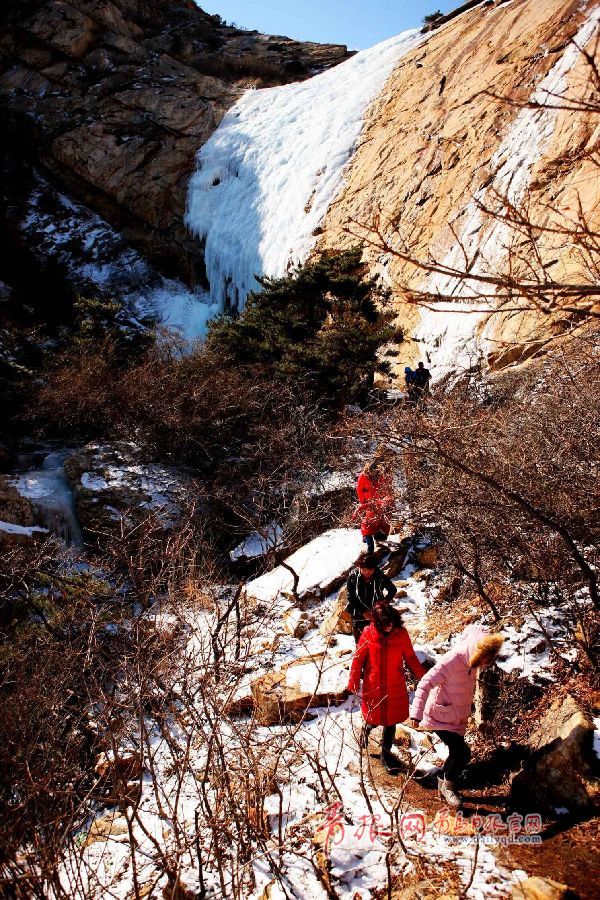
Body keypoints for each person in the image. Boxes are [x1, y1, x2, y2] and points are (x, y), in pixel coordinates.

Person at [408, 624, 504, 808]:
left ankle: (444, 777)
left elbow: (475, 629)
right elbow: (425, 683)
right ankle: (448, 787)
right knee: (462, 753)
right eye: (486, 660)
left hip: (456, 716)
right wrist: (416, 714)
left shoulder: (473, 655)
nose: (487, 664)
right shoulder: (453, 659)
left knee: (457, 752)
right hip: (439, 716)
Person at [348, 602, 426, 773]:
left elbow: (411, 658)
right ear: (377, 622)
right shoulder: (368, 632)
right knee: (373, 718)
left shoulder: (401, 634)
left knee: (391, 722)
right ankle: (365, 731)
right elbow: (358, 658)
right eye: (385, 624)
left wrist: (425, 677)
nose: (389, 626)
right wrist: (353, 681)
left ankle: (386, 755)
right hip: (373, 683)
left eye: (390, 622)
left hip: (394, 684)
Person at [346, 552, 397, 642]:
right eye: (364, 569)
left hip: (377, 614)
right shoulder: (353, 577)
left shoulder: (379, 576)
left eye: (370, 569)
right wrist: (363, 612)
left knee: (377, 640)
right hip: (358, 614)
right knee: (361, 642)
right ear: (359, 567)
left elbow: (392, 589)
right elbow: (351, 597)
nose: (368, 572)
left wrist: (382, 604)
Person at [355, 459, 394, 554]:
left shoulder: (382, 475)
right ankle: (368, 540)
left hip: (381, 503)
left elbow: (387, 487)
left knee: (383, 521)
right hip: (369, 502)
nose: (375, 473)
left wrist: (388, 500)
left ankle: (380, 538)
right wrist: (363, 502)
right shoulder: (363, 476)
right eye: (374, 471)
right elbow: (359, 490)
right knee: (368, 523)